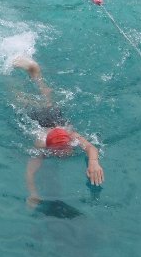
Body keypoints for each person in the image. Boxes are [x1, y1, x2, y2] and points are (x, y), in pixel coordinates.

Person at [14, 57, 104, 209]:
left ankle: (35, 74)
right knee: (23, 101)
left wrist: (94, 162)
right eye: (59, 151)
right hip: (39, 120)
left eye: (64, 150)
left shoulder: (71, 136)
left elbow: (91, 148)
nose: (63, 154)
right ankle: (17, 81)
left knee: (48, 102)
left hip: (55, 121)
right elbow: (30, 172)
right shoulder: (41, 143)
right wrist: (33, 193)